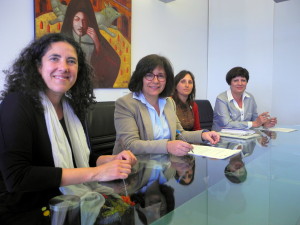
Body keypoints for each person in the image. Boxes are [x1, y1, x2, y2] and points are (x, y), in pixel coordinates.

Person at [0, 33, 136, 225]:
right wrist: (97, 173)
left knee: (131, 210)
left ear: (78, 70)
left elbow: (81, 158)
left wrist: (110, 159)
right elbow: (17, 178)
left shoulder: (73, 107)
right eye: (54, 58)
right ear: (38, 66)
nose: (63, 67)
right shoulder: (17, 103)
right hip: (30, 209)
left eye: (71, 61)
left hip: (71, 200)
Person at [113, 54, 220, 156]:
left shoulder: (169, 102)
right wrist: (167, 146)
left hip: (165, 166)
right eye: (149, 75)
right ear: (140, 77)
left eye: (161, 76)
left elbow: (179, 133)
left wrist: (203, 135)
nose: (155, 81)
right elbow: (131, 145)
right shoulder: (125, 104)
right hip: (134, 168)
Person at [61, 0, 121, 88]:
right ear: (71, 20)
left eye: (84, 20)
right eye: (77, 19)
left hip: (90, 84)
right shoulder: (63, 39)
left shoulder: (94, 36)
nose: (81, 25)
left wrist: (97, 43)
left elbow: (114, 61)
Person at [212, 66, 277, 131]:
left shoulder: (250, 97)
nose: (240, 83)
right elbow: (226, 124)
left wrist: (263, 123)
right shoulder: (221, 99)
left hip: (244, 137)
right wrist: (253, 124)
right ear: (230, 83)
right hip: (222, 138)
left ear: (246, 82)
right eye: (235, 80)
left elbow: (254, 120)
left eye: (243, 80)